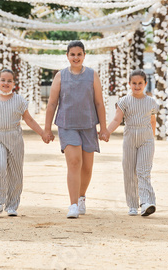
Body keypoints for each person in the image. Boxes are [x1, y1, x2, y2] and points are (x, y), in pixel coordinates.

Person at [43, 41, 108, 219]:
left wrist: (104, 128)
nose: (76, 57)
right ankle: (72, 205)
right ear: (67, 56)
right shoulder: (60, 76)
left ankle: (81, 198)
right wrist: (47, 129)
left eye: (79, 54)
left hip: (88, 125)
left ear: (84, 55)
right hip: (67, 125)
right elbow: (52, 103)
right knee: (74, 162)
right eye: (73, 54)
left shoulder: (92, 75)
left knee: (87, 167)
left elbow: (99, 103)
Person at [0, 69, 49, 217]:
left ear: (14, 84)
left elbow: (29, 120)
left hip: (15, 139)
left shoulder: (19, 101)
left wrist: (42, 133)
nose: (6, 83)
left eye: (9, 81)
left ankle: (12, 205)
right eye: (3, 80)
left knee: (16, 173)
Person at [103, 70, 159, 217]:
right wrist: (107, 132)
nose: (137, 86)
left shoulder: (151, 102)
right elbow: (117, 120)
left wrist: (151, 138)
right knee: (129, 171)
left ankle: (146, 203)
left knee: (143, 171)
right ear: (129, 84)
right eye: (134, 83)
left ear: (145, 84)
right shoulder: (124, 101)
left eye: (140, 83)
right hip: (129, 140)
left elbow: (153, 121)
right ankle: (132, 204)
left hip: (146, 140)